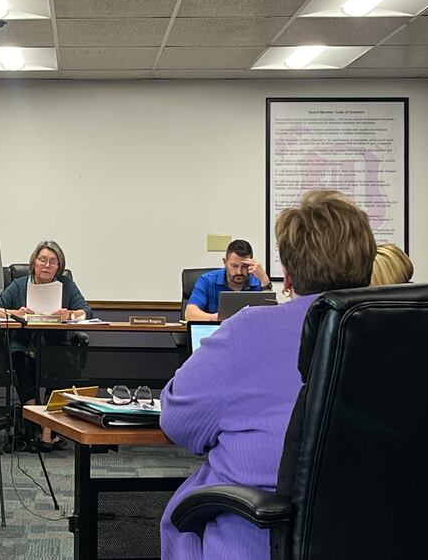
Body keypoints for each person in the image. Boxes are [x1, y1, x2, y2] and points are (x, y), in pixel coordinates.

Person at [161, 190, 376, 560]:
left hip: (261, 536)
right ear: (369, 267)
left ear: (288, 275)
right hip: (379, 530)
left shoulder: (248, 330)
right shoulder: (405, 334)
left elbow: (179, 422)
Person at [0, 239, 91, 451]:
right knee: (20, 362)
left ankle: (44, 429)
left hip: (55, 344)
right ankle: (44, 427)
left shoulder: (66, 286)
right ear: (34, 263)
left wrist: (71, 313)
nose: (46, 265)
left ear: (59, 267)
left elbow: (86, 311)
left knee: (64, 363)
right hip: (23, 344)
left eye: (53, 262)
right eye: (42, 259)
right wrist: (16, 313)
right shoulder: (19, 285)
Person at [184, 240, 272, 322]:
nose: (239, 272)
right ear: (225, 262)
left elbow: (272, 318)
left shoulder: (258, 282)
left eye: (244, 266)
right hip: (216, 334)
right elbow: (189, 314)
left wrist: (265, 280)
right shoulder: (207, 280)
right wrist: (218, 318)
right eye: (234, 266)